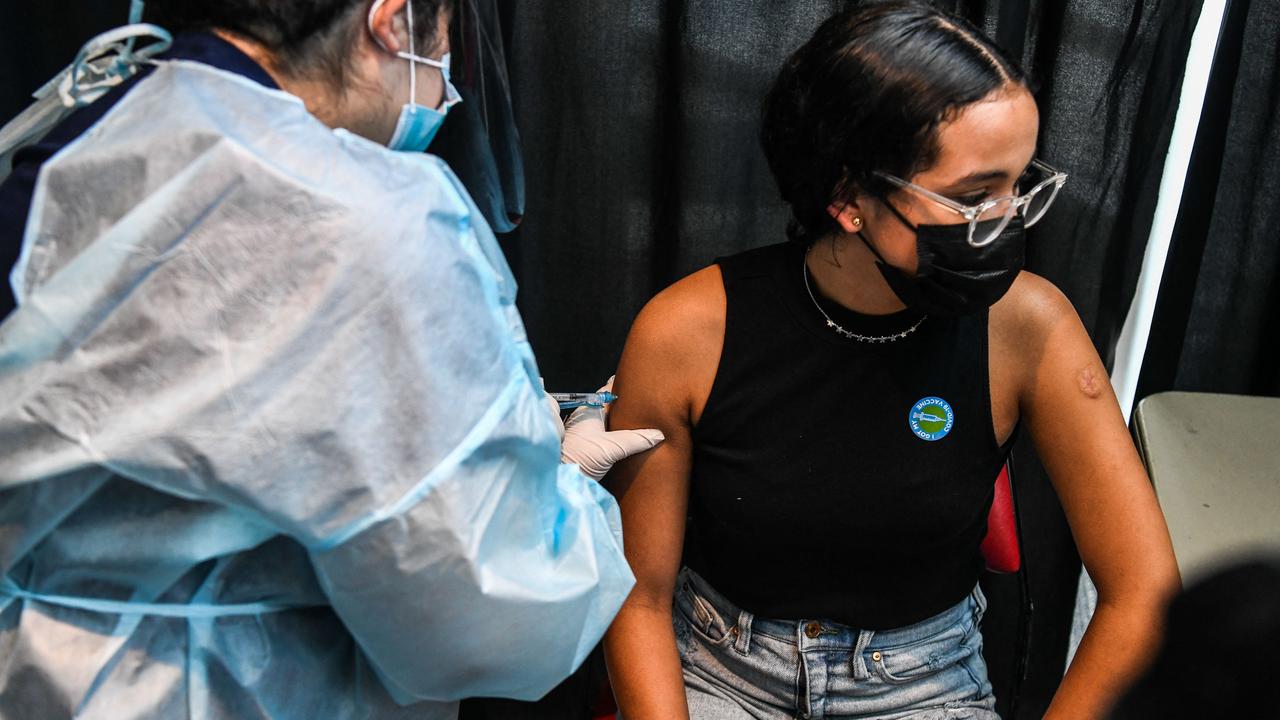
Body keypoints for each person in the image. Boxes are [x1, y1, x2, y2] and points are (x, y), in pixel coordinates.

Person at [0, 1, 663, 718]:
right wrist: (565, 493)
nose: (448, 88)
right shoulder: (364, 223)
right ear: (391, 19)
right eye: (447, 47)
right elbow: (481, 624)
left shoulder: (81, 135)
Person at [601, 3, 1180, 719]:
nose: (1005, 221)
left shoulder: (1030, 326)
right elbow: (639, 596)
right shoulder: (685, 332)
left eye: (1019, 185)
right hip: (724, 670)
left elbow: (1143, 593)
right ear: (849, 198)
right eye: (973, 198)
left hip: (922, 682)